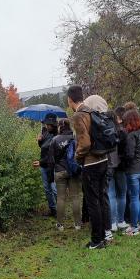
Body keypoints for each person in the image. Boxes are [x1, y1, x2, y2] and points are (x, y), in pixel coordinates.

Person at [69, 87, 110, 249]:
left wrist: (77, 157)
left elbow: (84, 143)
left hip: (91, 163)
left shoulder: (79, 115)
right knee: (100, 200)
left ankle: (96, 240)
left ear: (69, 99)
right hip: (103, 159)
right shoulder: (92, 111)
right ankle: (103, 237)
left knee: (92, 203)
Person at [48, 118, 82, 231]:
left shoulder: (54, 140)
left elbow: (51, 160)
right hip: (73, 171)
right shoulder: (75, 138)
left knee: (61, 198)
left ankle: (60, 224)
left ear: (60, 126)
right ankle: (77, 224)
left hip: (59, 171)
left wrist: (50, 176)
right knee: (75, 197)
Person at [121, 108, 140, 235]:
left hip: (133, 170)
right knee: (136, 198)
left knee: (133, 198)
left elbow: (130, 154)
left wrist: (123, 160)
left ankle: (133, 227)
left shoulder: (131, 135)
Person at [108, 106, 128, 233]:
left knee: (111, 194)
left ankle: (113, 222)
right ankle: (121, 221)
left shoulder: (106, 132)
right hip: (121, 166)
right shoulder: (122, 131)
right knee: (122, 193)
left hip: (109, 165)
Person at [37, 114, 58, 217]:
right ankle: (53, 210)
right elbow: (42, 146)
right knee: (47, 189)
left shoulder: (57, 134)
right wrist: (39, 140)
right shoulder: (44, 132)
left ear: (53, 125)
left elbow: (51, 151)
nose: (47, 126)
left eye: (49, 124)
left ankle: (60, 209)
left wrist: (41, 162)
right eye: (46, 124)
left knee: (54, 189)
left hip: (53, 165)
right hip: (43, 165)